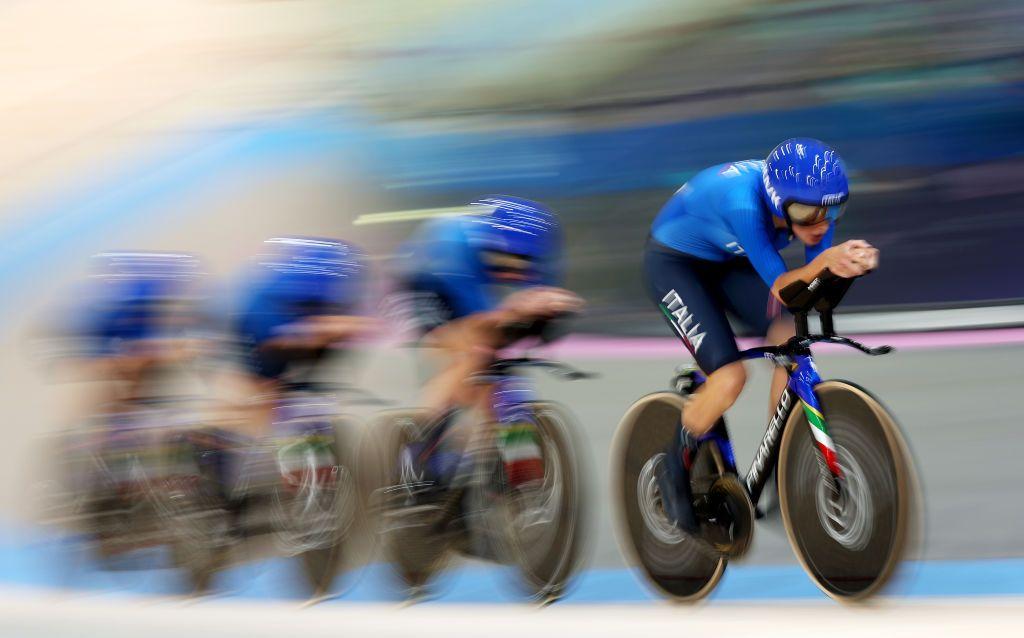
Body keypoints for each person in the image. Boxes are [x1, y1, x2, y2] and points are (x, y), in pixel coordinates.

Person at [643, 138, 879, 533]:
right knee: (730, 377)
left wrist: (846, 267)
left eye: (832, 209)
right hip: (675, 265)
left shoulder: (813, 201)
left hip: (728, 259)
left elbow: (810, 295)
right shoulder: (744, 204)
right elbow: (785, 287)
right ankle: (672, 470)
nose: (820, 224)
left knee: (789, 333)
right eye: (807, 215)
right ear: (775, 201)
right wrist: (827, 259)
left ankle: (778, 460)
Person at [392, 196, 583, 496]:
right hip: (427, 283)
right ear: (487, 248)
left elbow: (538, 320)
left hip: (471, 285)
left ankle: (476, 454)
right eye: (504, 263)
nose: (513, 272)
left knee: (493, 368)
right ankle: (417, 455)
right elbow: (475, 328)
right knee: (468, 358)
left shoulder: (542, 256)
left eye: (522, 265)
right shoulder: (455, 251)